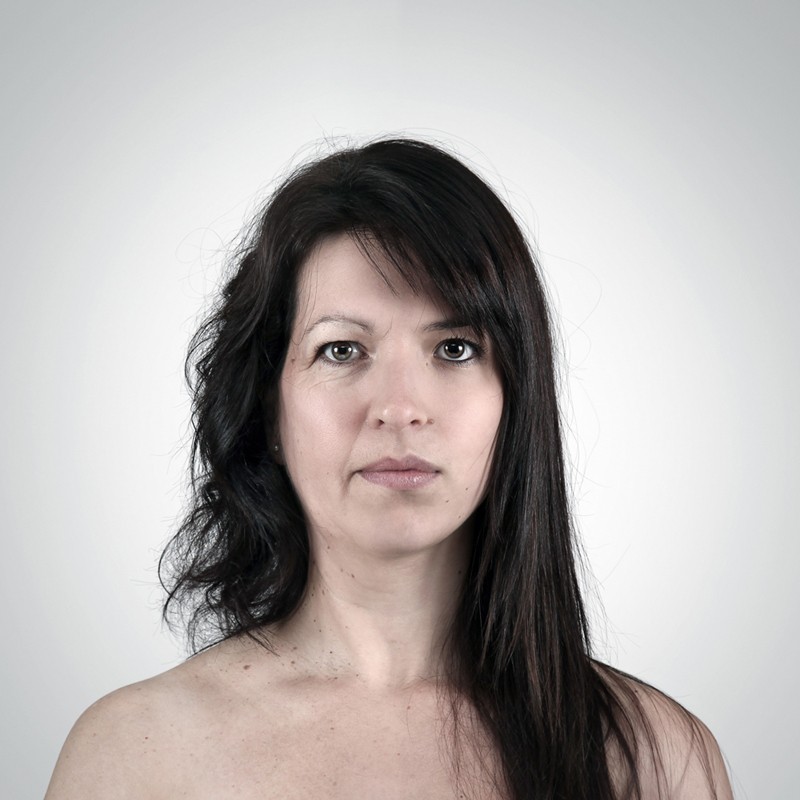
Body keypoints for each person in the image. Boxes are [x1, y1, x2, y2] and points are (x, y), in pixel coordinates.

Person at [45, 138, 733, 799]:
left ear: (515, 401)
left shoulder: (656, 760)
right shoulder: (134, 755)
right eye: (341, 350)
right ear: (269, 411)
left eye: (456, 348)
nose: (400, 408)